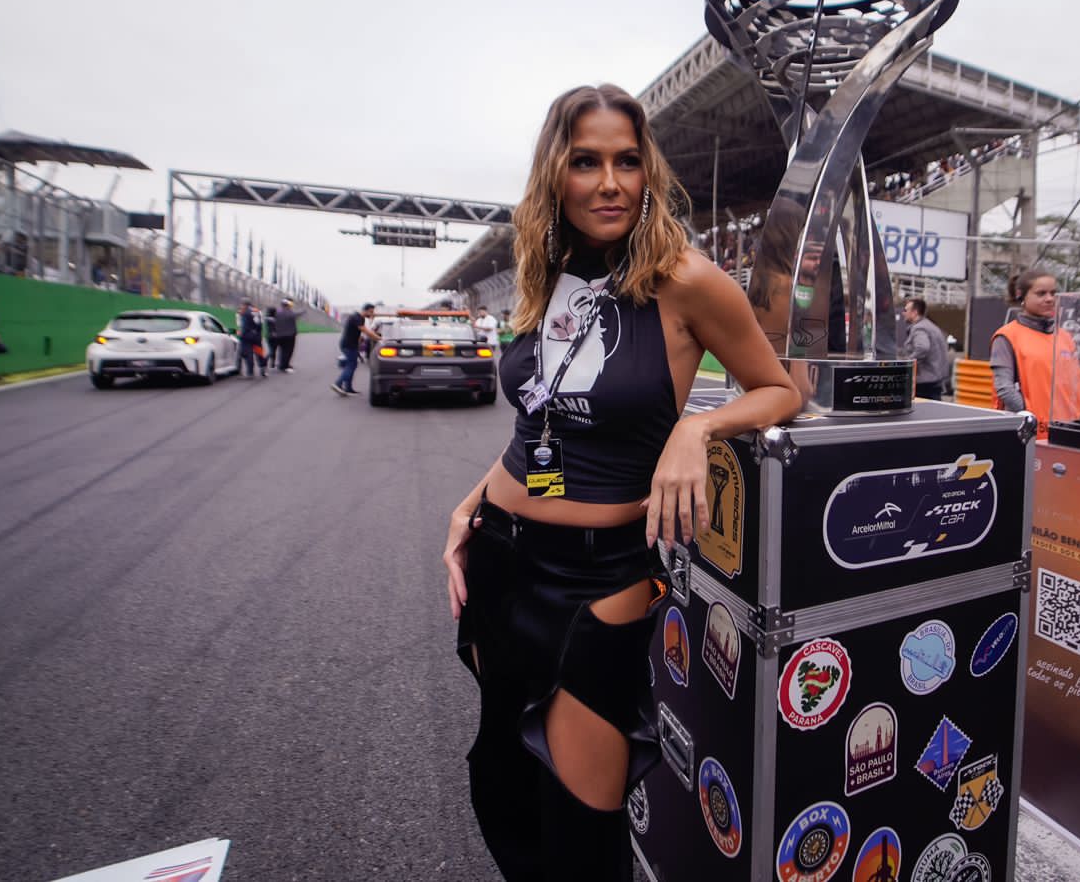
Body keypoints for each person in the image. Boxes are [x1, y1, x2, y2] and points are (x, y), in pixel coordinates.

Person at [441, 84, 800, 881]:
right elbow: (538, 422)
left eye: (627, 161)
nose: (609, 181)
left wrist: (696, 426)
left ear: (648, 175)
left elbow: (780, 390)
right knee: (501, 787)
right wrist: (473, 502)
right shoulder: (544, 276)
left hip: (600, 577)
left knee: (581, 830)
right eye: (587, 161)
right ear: (555, 177)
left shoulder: (686, 280)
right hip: (502, 557)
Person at [989, 269, 1080, 437]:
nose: (1049, 299)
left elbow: (1074, 385)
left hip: (1068, 429)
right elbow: (1004, 388)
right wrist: (1029, 416)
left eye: (1053, 293)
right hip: (1029, 432)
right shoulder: (1007, 336)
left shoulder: (1064, 336)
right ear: (1021, 295)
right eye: (1041, 294)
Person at [901, 296, 952, 400]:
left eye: (906, 310)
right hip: (936, 379)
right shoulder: (931, 326)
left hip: (924, 382)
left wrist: (908, 363)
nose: (903, 313)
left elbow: (922, 348)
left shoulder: (919, 328)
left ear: (915, 312)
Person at [331, 303, 379, 395]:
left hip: (351, 345)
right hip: (348, 345)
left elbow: (359, 334)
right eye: (371, 312)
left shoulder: (360, 318)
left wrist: (358, 347)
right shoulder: (356, 317)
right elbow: (366, 331)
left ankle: (348, 388)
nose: (372, 314)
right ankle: (337, 383)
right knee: (351, 365)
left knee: (352, 364)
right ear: (366, 310)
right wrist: (379, 338)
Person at [236, 300, 265, 379]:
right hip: (257, 336)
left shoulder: (244, 313)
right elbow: (260, 324)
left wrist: (241, 334)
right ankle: (263, 368)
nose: (241, 307)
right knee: (259, 352)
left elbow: (243, 326)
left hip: (247, 337)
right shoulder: (258, 311)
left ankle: (250, 372)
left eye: (242, 305)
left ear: (245, 305)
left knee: (248, 354)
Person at [270, 299, 301, 371]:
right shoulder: (290, 312)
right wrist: (303, 311)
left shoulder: (277, 312)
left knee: (282, 351)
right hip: (290, 335)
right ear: (288, 305)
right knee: (288, 351)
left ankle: (282, 364)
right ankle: (284, 366)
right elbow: (296, 315)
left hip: (279, 335)